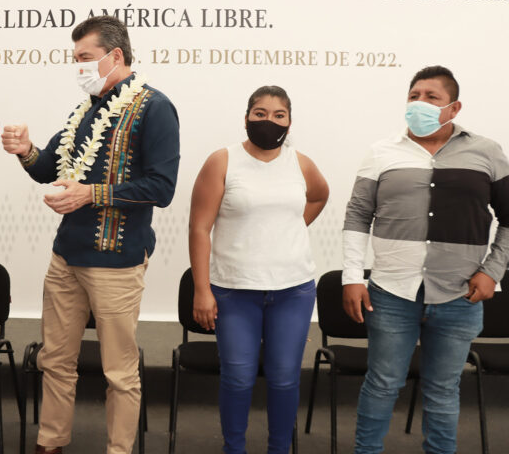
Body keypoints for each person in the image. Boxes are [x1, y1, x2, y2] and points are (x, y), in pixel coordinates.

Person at [2, 15, 180, 454]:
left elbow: (162, 188)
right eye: (75, 58)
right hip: (66, 258)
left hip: (116, 263)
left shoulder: (155, 108)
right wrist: (26, 150)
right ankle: (50, 443)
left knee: (119, 371)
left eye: (85, 58)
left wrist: (91, 195)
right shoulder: (86, 109)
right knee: (55, 361)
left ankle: (119, 450)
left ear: (114, 56)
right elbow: (51, 168)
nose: (78, 67)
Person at [342, 65, 509, 454]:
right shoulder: (382, 152)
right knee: (382, 383)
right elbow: (357, 216)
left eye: (431, 97)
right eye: (414, 96)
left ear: (454, 107)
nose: (420, 103)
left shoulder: (486, 152)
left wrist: (493, 271)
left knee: (443, 388)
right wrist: (353, 276)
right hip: (391, 292)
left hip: (458, 294)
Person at [189, 86, 329, 454]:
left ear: (289, 121)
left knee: (284, 379)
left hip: (293, 290)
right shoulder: (222, 161)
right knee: (238, 378)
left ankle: (279, 450)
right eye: (260, 113)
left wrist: (289, 229)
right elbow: (199, 228)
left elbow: (319, 196)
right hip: (234, 290)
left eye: (278, 115)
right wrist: (202, 290)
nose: (269, 121)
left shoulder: (301, 163)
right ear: (247, 117)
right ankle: (234, 449)